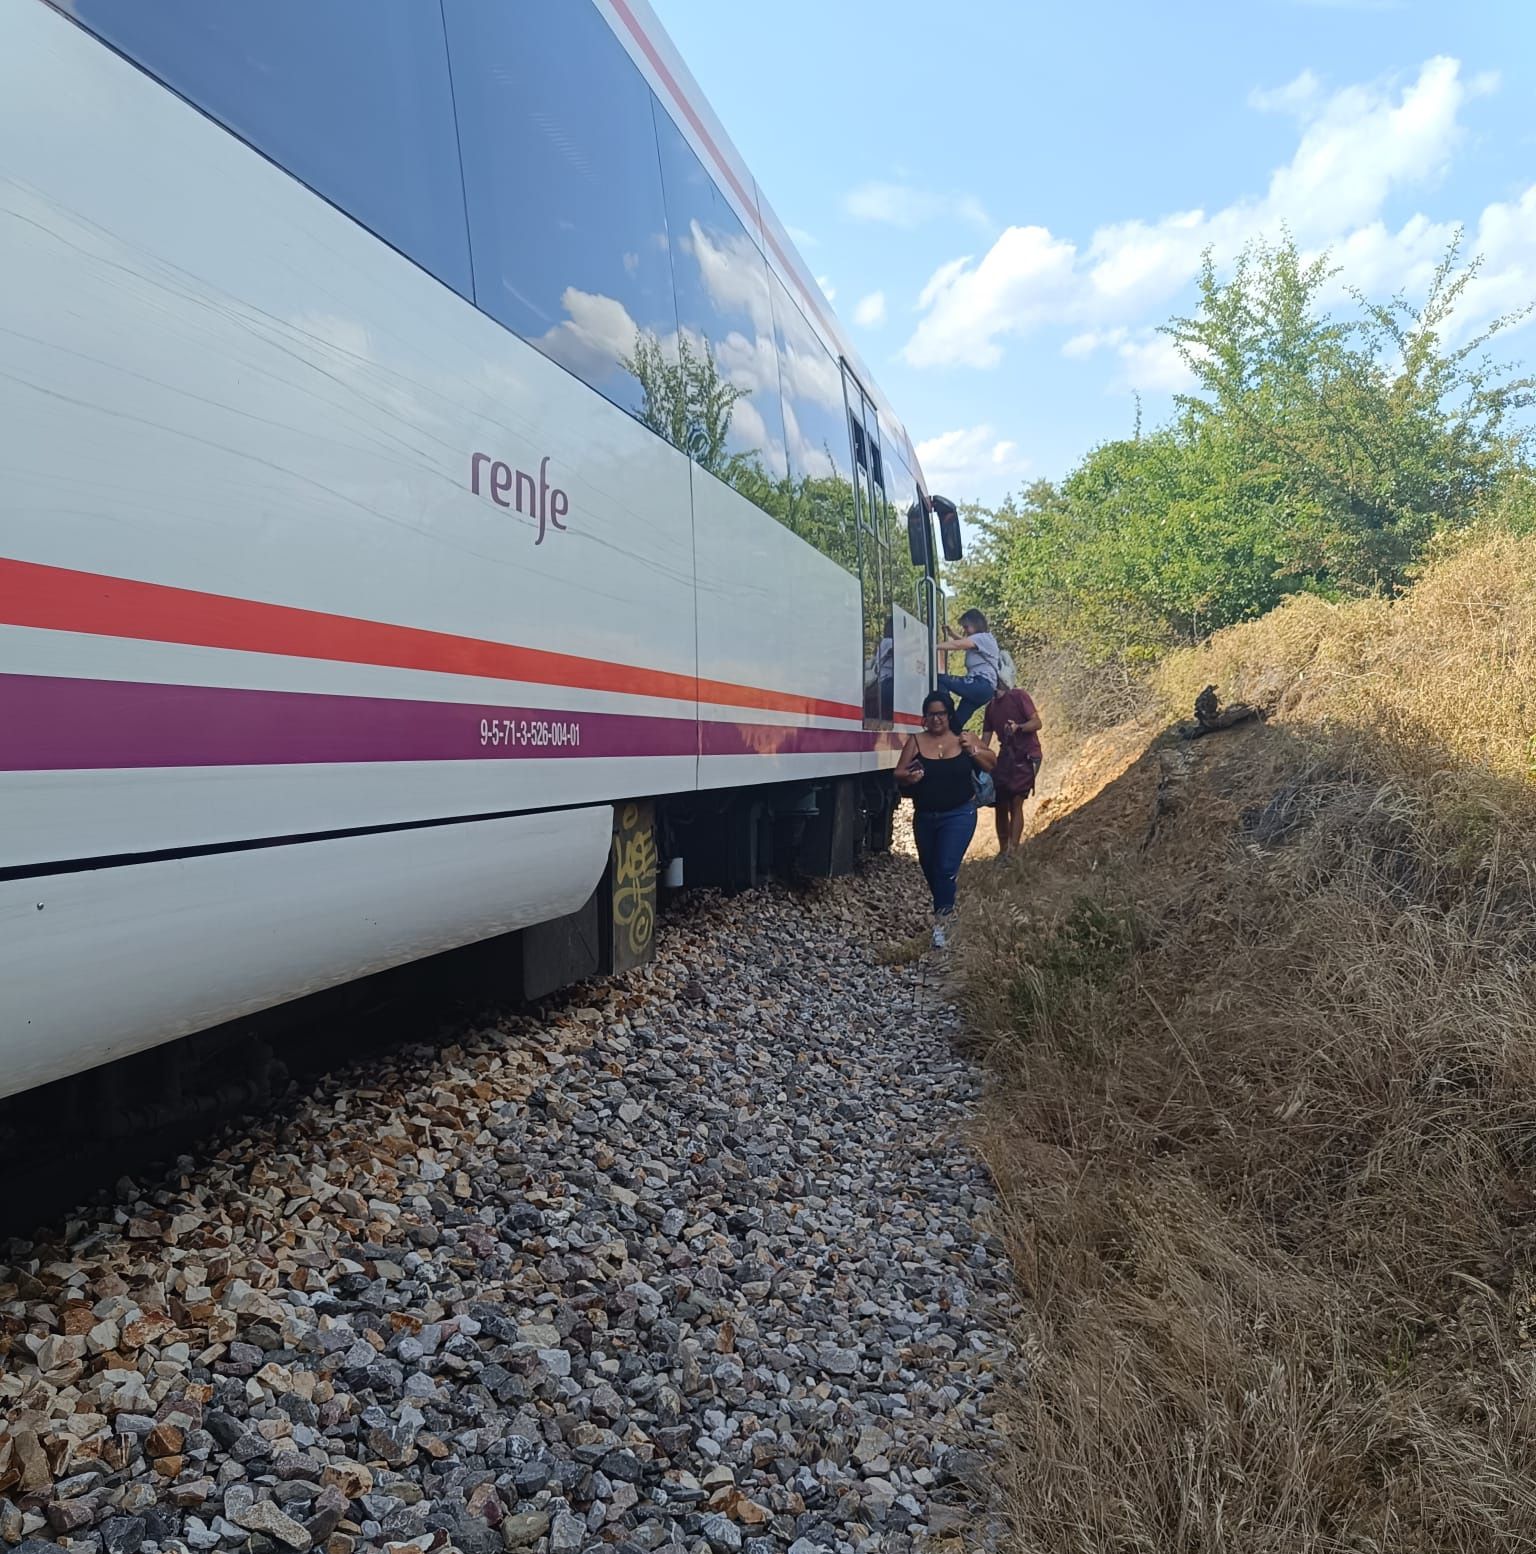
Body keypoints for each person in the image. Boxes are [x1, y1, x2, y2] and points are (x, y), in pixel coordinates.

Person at [894, 690, 998, 947]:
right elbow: (898, 772)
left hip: (959, 814)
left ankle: (942, 925)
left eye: (941, 713)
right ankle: (947, 906)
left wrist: (973, 750)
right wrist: (909, 777)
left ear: (949, 715)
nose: (936, 719)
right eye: (931, 714)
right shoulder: (916, 742)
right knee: (931, 869)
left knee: (945, 867)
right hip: (925, 816)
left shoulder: (964, 738)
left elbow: (991, 763)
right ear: (925, 718)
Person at [982, 671, 1043, 857]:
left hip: (1027, 755)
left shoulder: (1018, 696)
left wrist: (1019, 727)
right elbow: (984, 740)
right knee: (1000, 803)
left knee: (1016, 801)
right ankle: (1003, 852)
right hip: (1006, 757)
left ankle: (1013, 851)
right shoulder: (990, 707)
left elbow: (1037, 723)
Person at [935, 609, 1001, 733]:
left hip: (980, 683)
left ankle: (944, 710)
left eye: (966, 627)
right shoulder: (984, 640)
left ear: (976, 624)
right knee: (954, 726)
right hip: (985, 690)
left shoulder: (982, 637)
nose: (965, 631)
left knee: (940, 679)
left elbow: (958, 645)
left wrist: (932, 646)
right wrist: (952, 634)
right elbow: (963, 643)